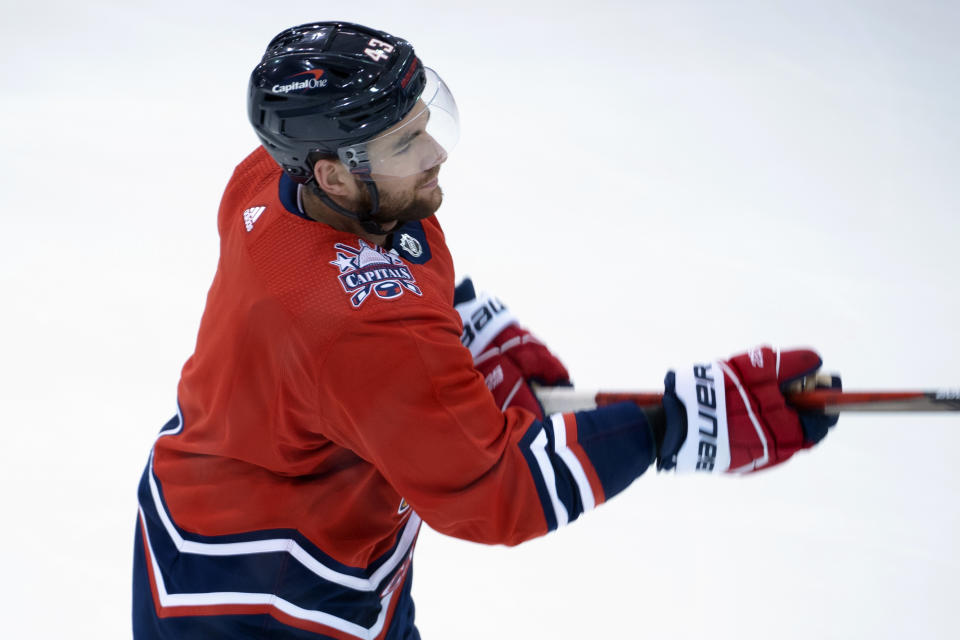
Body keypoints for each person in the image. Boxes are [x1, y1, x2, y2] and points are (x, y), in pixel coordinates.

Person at [132, 21, 840, 640]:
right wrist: (671, 426)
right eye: (407, 141)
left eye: (423, 120)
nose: (435, 150)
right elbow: (497, 492)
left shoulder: (276, 179)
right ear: (334, 175)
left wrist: (461, 326)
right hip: (265, 600)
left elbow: (375, 290)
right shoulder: (359, 332)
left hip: (230, 507)